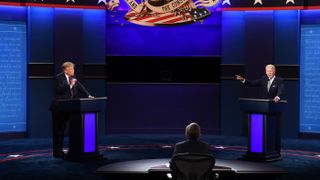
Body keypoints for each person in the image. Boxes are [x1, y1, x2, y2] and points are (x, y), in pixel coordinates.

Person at [49, 61, 94, 158]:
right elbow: (58, 90)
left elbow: (81, 88)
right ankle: (57, 152)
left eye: (73, 68)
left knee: (67, 129)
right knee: (59, 131)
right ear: (67, 69)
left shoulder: (73, 78)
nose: (73, 70)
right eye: (72, 69)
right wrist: (70, 85)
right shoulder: (58, 77)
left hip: (69, 107)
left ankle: (71, 150)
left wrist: (88, 95)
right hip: (59, 108)